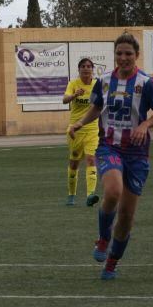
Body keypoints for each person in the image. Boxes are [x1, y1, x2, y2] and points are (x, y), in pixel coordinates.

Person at [68, 32, 153, 280]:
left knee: (126, 217)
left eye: (128, 54)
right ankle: (103, 238)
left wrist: (144, 125)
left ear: (136, 56)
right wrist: (79, 123)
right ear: (114, 55)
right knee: (112, 190)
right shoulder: (102, 81)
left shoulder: (146, 83)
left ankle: (112, 262)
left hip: (137, 154)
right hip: (109, 147)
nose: (123, 58)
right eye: (119, 54)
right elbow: (96, 107)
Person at [62, 57, 99, 207]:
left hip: (92, 129)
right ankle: (71, 195)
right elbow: (64, 100)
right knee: (74, 163)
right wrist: (74, 95)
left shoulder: (97, 85)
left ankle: (90, 195)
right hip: (75, 130)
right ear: (79, 69)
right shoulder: (73, 83)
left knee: (91, 159)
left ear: (92, 69)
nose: (86, 68)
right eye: (83, 66)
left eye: (89, 66)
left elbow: (102, 103)